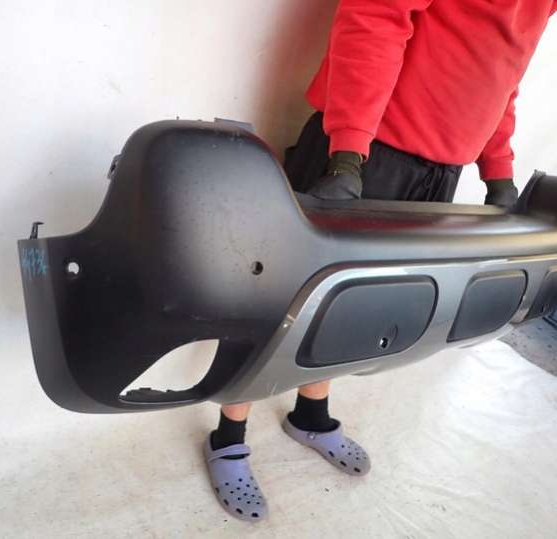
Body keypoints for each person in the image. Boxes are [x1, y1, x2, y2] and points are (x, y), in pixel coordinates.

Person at [204, 0, 556, 522]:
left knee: (360, 309)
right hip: (365, 150)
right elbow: (374, 16)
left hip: (440, 171)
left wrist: (498, 171)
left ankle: (310, 412)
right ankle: (228, 434)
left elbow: (504, 76)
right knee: (281, 298)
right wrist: (347, 153)